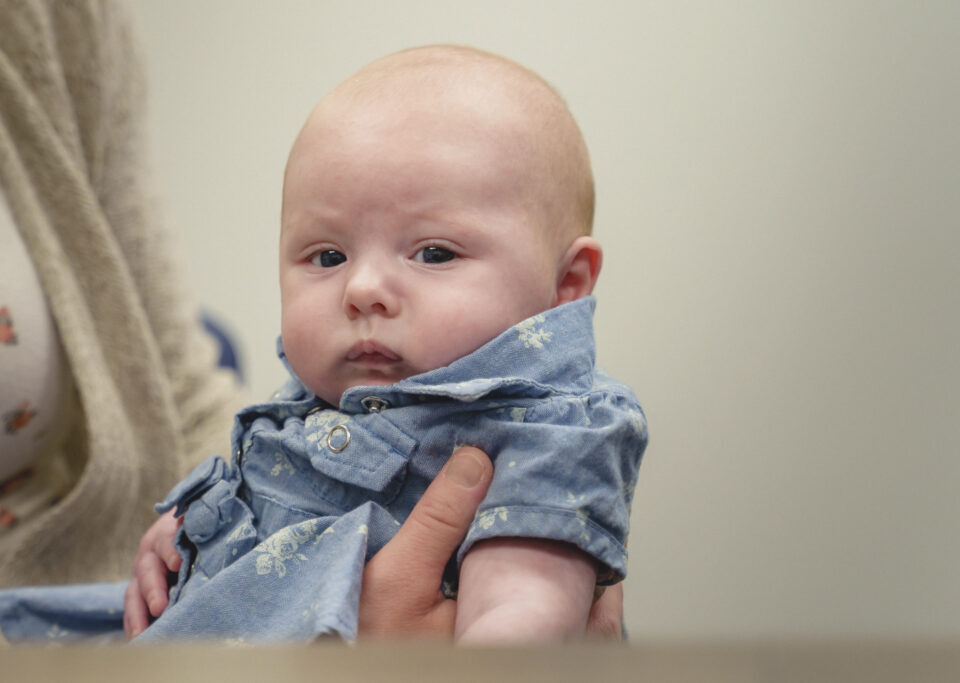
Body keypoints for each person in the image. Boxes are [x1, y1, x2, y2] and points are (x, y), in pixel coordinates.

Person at [0, 1, 624, 646]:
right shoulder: (313, 408)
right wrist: (187, 530)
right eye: (328, 257)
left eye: (434, 253)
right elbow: (257, 495)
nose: (362, 289)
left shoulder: (544, 435)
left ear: (566, 284)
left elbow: (520, 624)